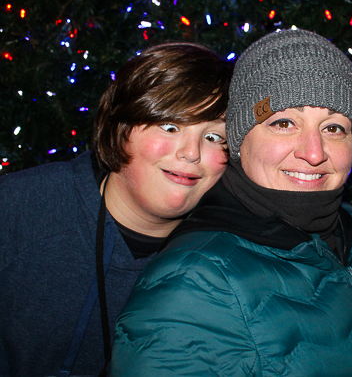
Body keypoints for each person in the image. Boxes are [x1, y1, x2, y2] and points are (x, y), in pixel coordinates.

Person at [111, 29, 352, 377]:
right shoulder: (194, 286)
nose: (314, 153)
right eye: (284, 123)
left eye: (333, 128)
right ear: (238, 141)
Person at [0, 43, 232, 376]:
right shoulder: (20, 209)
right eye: (170, 127)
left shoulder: (221, 261)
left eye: (213, 136)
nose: (191, 153)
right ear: (119, 129)